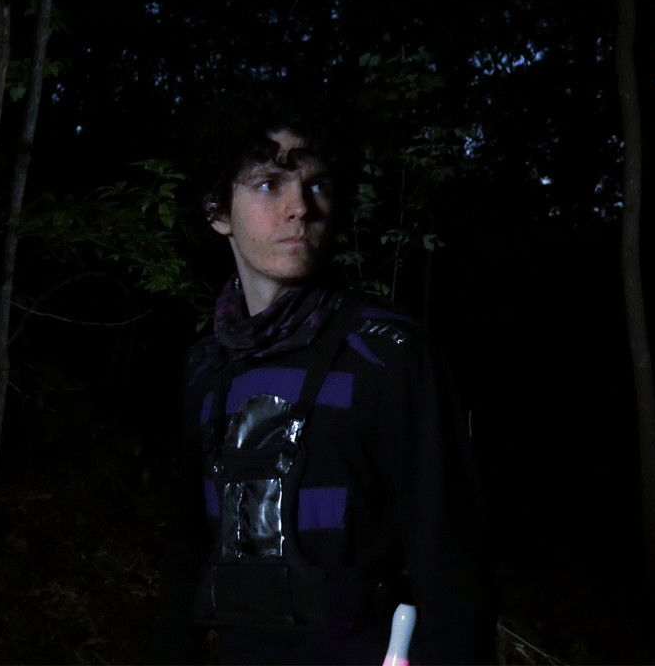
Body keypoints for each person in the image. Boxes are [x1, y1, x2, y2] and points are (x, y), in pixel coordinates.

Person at [152, 119, 493, 665]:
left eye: (317, 185)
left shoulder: (387, 352)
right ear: (218, 211)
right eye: (269, 185)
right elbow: (187, 548)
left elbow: (451, 559)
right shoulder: (207, 367)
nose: (300, 208)